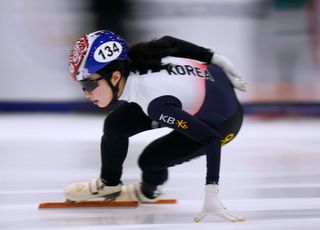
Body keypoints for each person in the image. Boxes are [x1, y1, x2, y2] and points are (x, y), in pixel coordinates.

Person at [65, 30, 246, 222]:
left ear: (115, 76)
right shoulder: (138, 59)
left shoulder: (154, 104)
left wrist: (212, 192)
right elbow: (169, 42)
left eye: (88, 85)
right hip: (206, 87)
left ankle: (148, 192)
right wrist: (215, 58)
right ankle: (109, 184)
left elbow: (211, 139)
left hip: (223, 123)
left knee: (151, 160)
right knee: (115, 125)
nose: (85, 93)